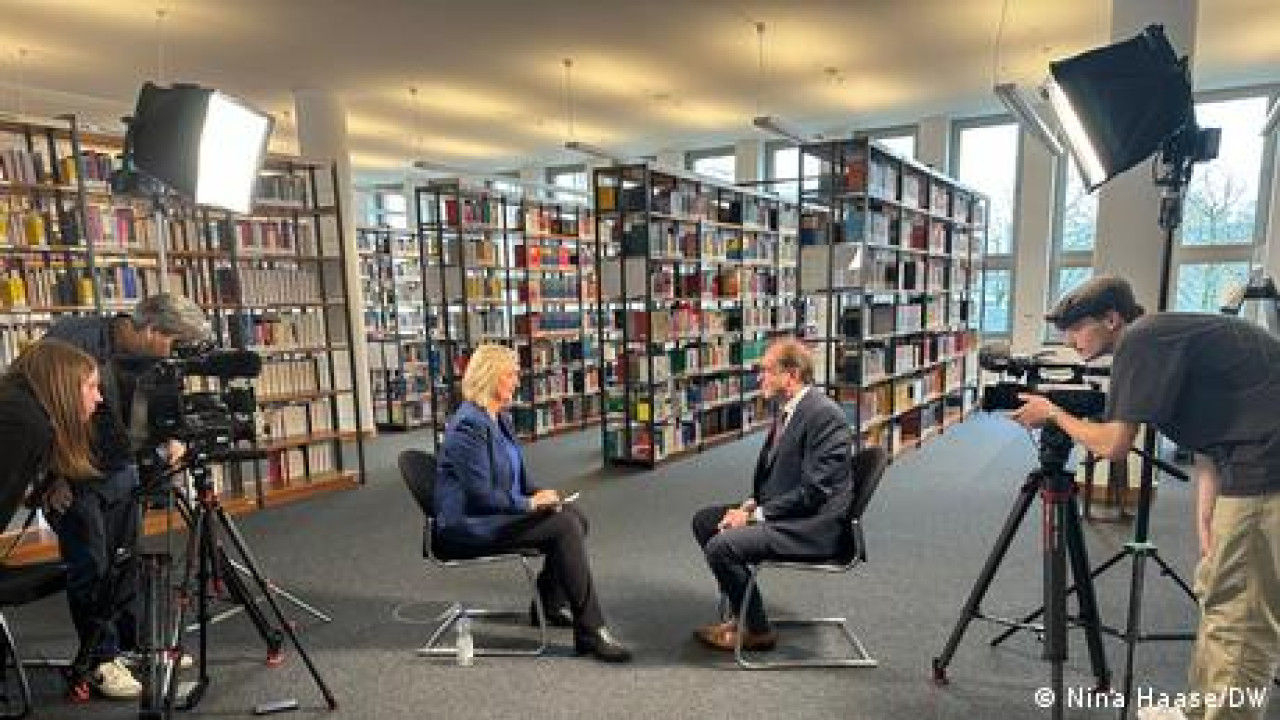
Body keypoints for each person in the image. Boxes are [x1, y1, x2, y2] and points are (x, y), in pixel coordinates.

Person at [1011, 276, 1279, 720]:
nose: (1070, 341)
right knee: (1219, 593)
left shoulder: (1141, 341)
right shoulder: (1160, 336)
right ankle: (1199, 711)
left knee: (1241, 617)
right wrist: (1207, 519)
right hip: (1249, 460)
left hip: (1266, 468)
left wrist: (1053, 413)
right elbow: (1209, 440)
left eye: (1076, 328)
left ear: (1111, 319)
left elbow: (1114, 444)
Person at [42, 293, 209, 699]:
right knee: (91, 565)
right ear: (151, 330)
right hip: (75, 474)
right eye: (172, 341)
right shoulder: (71, 341)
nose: (173, 352)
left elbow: (165, 403)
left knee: (127, 563)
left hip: (123, 468)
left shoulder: (153, 359)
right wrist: (50, 476)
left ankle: (134, 645)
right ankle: (99, 659)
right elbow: (38, 410)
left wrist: (171, 436)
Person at [434, 343, 631, 663]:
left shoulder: (499, 419)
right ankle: (591, 630)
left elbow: (518, 479)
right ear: (490, 377)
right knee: (564, 526)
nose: (517, 382)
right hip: (470, 525)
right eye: (511, 375)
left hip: (498, 513)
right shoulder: (468, 425)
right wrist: (528, 505)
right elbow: (480, 496)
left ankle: (548, 604)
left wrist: (542, 496)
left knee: (573, 515)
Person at [690, 337, 854, 651]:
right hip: (794, 511)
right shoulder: (791, 410)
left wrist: (755, 515)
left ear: (791, 375)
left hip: (813, 526)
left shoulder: (823, 415)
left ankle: (757, 629)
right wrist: (753, 503)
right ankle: (743, 612)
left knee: (721, 547)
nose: (759, 378)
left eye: (766, 370)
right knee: (705, 522)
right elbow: (786, 473)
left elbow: (815, 492)